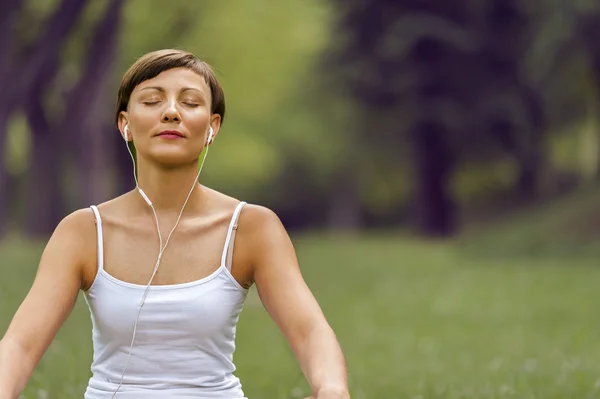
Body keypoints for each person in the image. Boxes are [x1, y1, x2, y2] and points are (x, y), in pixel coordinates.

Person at [0, 49, 349, 399]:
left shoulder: (251, 227)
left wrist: (331, 388)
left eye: (190, 102)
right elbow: (20, 345)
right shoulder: (84, 231)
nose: (171, 112)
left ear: (212, 127)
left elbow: (309, 330)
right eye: (152, 101)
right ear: (125, 125)